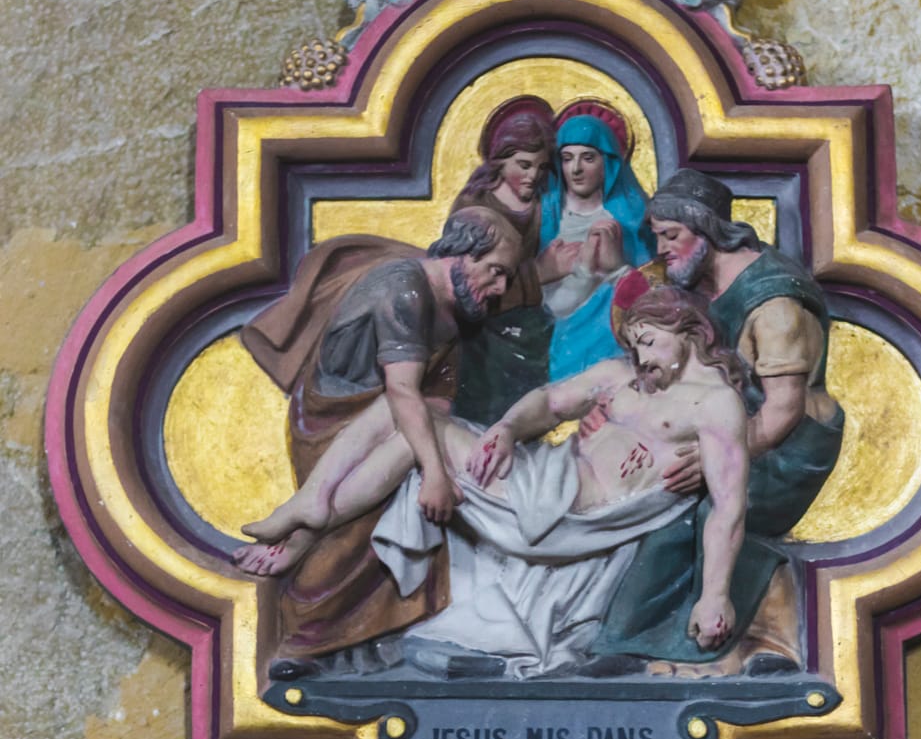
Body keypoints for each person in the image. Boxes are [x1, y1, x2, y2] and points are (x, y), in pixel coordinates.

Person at [244, 288, 750, 679]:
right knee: (408, 425)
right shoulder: (621, 375)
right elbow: (550, 402)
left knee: (412, 418)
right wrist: (508, 428)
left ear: (690, 331)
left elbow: (729, 507)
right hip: (541, 477)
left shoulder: (715, 405)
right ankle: (308, 516)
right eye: (634, 345)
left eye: (649, 341)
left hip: (562, 513)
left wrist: (715, 596)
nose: (641, 358)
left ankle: (307, 521)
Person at [590, 169, 844, 673]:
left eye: (671, 236)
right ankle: (617, 634)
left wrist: (713, 459)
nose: (661, 250)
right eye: (657, 237)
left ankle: (685, 645)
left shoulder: (774, 306)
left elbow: (783, 409)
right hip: (722, 427)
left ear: (706, 229)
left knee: (690, 511)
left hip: (786, 446)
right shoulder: (699, 282)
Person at [237, 205, 523, 574]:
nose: (499, 289)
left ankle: (305, 527)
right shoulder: (405, 288)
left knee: (417, 435)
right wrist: (435, 472)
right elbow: (402, 391)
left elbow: (435, 403)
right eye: (496, 272)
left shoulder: (453, 310)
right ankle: (310, 502)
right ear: (463, 253)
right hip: (334, 419)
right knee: (408, 419)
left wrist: (435, 457)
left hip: (386, 422)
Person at [448, 103, 578, 424]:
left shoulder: (540, 202)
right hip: (486, 317)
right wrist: (539, 273)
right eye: (523, 165)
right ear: (500, 160)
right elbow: (467, 276)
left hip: (526, 311)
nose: (533, 175)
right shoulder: (475, 203)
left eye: (541, 167)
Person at [538, 111, 653, 381]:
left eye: (588, 158)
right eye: (567, 158)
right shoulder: (546, 216)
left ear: (608, 162)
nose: (576, 169)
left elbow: (656, 298)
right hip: (558, 341)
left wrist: (618, 269)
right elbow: (538, 300)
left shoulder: (632, 216)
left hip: (615, 343)